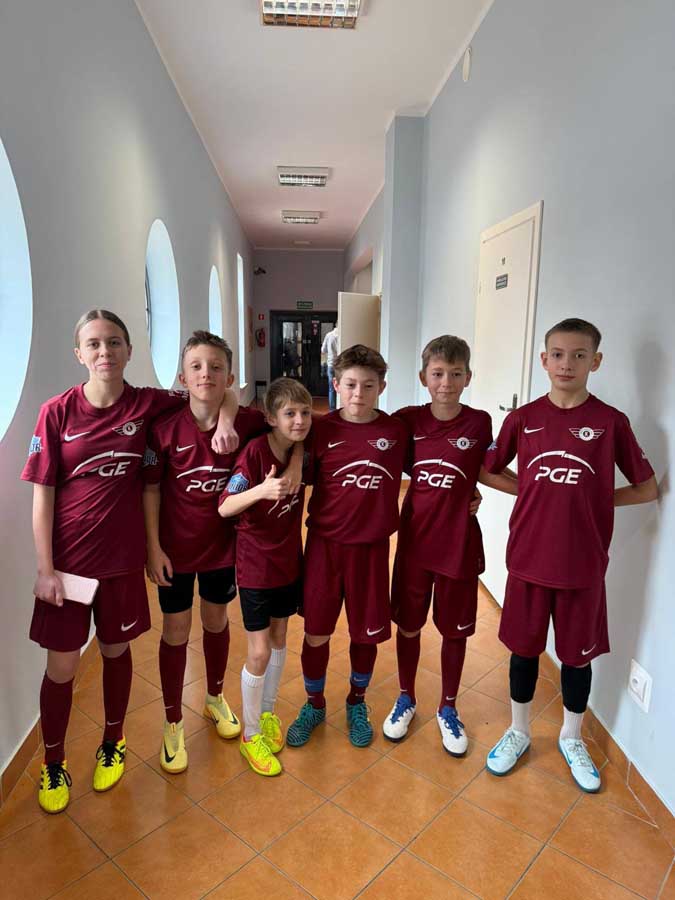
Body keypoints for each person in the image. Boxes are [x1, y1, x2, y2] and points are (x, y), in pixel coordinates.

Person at [21, 310, 239, 814]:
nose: (105, 352)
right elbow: (42, 496)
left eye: (115, 342)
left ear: (129, 351)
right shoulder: (57, 413)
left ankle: (113, 742)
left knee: (116, 652)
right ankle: (53, 762)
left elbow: (213, 391)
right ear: (79, 353)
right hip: (68, 567)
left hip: (121, 563)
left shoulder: (147, 404)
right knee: (61, 668)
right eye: (94, 344)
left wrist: (227, 419)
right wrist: (45, 569)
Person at [483, 318, 657, 792]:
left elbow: (646, 488)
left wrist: (597, 499)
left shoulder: (610, 422)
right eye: (558, 354)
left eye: (579, 355)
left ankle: (571, 736)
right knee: (524, 652)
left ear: (595, 362)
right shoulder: (523, 419)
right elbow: (487, 469)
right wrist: (529, 490)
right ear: (544, 360)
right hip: (528, 559)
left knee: (577, 659)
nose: (567, 364)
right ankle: (518, 730)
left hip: (582, 566)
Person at [382, 336, 518, 754]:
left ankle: (448, 706)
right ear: (423, 377)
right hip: (415, 543)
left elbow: (482, 470)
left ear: (468, 377)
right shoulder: (407, 420)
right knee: (409, 624)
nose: (446, 383)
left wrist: (533, 490)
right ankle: (406, 697)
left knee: (454, 630)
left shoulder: (478, 422)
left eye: (456, 374)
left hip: (458, 544)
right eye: (438, 374)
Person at [142, 331, 267, 774]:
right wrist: (153, 547)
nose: (206, 375)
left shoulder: (247, 423)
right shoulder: (164, 429)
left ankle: (214, 696)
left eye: (216, 367)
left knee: (216, 621)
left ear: (230, 377)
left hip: (222, 550)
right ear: (182, 377)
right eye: (196, 367)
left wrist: (229, 419)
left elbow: (289, 440)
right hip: (174, 552)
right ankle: (172, 720)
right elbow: (151, 491)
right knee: (175, 630)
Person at [286, 344, 408, 749]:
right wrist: (295, 457)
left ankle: (356, 702)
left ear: (382, 387)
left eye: (368, 385)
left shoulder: (395, 431)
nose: (359, 393)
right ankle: (314, 704)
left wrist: (469, 494)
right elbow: (285, 446)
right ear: (336, 385)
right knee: (316, 632)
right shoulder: (319, 429)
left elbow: (429, 466)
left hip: (371, 550)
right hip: (325, 547)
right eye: (351, 384)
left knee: (365, 635)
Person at [219, 378, 312, 776]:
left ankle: (268, 714)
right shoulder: (255, 452)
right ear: (271, 418)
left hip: (287, 563)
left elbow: (304, 442)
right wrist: (262, 490)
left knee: (279, 639)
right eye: (290, 414)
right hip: (255, 566)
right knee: (257, 653)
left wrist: (298, 458)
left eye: (305, 413)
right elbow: (225, 506)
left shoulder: (300, 446)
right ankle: (250, 734)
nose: (299, 421)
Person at [321, 322, 339, 410]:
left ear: (335, 325)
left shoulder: (329, 335)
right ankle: (340, 407)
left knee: (332, 388)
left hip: (331, 364)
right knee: (342, 386)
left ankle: (332, 410)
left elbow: (323, 350)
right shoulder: (342, 335)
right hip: (341, 365)